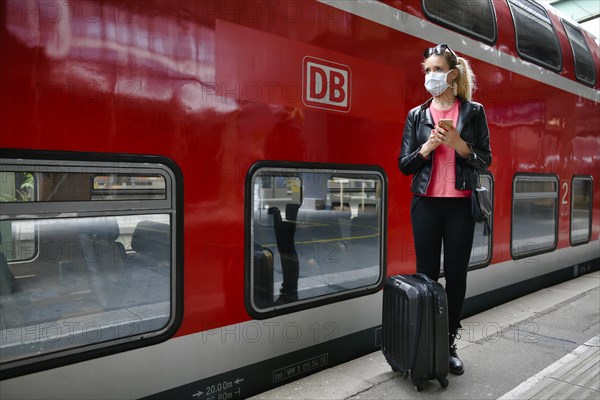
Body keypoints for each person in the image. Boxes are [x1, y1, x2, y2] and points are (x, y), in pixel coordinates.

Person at [398, 44, 492, 375]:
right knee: (425, 275)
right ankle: (426, 343)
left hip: (459, 205)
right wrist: (429, 146)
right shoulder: (416, 115)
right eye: (426, 71)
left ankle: (449, 343)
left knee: (455, 275)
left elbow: (485, 159)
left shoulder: (473, 112)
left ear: (452, 74)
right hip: (425, 203)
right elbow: (404, 165)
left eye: (436, 70)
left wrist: (460, 146)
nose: (430, 76)